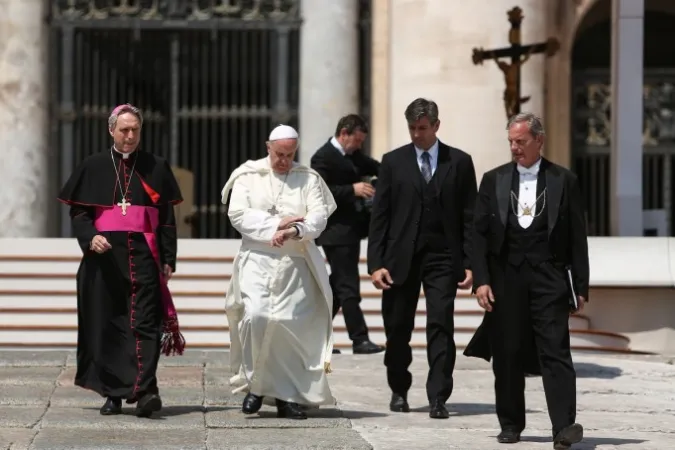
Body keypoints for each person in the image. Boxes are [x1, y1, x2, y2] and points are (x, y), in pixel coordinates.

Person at [464, 112, 589, 449]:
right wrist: (482, 281)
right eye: (511, 142)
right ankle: (510, 423)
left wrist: (580, 287)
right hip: (506, 278)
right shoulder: (493, 180)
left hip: (550, 277)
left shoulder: (565, 180)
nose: (515, 148)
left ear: (539, 140)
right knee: (507, 352)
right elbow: (479, 235)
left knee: (556, 352)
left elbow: (578, 237)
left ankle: (563, 427)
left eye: (521, 141)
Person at [57, 103, 185, 418]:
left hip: (144, 257)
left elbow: (166, 218)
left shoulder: (156, 166)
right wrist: (89, 237)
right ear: (111, 130)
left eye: (135, 130)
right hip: (104, 261)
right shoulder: (94, 165)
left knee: (145, 324)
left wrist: (169, 257)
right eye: (124, 130)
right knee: (107, 325)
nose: (130, 136)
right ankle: (113, 394)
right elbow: (79, 213)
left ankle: (146, 392)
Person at [367, 98, 477, 419]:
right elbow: (380, 217)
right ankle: (399, 388)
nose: (417, 134)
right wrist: (375, 264)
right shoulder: (392, 162)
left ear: (436, 126)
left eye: (423, 128)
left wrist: (470, 262)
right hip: (400, 258)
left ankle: (439, 396)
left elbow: (470, 217)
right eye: (413, 128)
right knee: (398, 327)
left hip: (443, 258)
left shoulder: (460, 162)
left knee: (441, 324)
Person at [220, 124, 337, 420]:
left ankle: (288, 398)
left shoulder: (307, 178)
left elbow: (319, 216)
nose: (284, 160)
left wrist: (295, 230)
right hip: (257, 258)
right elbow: (237, 214)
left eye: (289, 154)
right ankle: (256, 387)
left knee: (289, 325)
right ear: (267, 147)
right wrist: (275, 225)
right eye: (279, 154)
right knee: (256, 316)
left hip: (296, 261)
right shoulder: (248, 175)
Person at [310, 114, 384, 355]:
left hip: (350, 232)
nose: (359, 146)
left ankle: (315, 337)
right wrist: (352, 189)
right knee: (348, 286)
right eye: (357, 140)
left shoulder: (352, 156)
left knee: (338, 287)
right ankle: (359, 338)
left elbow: (375, 166)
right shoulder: (322, 157)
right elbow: (320, 192)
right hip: (335, 232)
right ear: (344, 134)